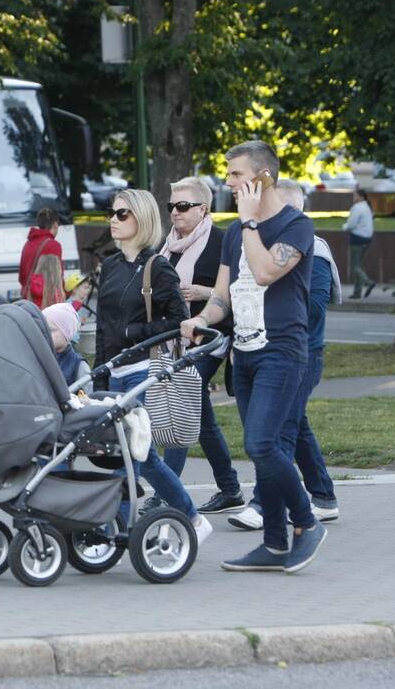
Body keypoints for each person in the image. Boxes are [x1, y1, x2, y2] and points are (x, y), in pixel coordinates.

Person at [181, 140, 326, 574]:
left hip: (282, 351)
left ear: (263, 178)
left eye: (236, 175)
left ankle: (307, 521)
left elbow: (265, 272)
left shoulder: (295, 226)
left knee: (262, 443)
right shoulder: (236, 235)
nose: (228, 183)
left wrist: (249, 223)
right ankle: (275, 543)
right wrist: (201, 320)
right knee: (267, 449)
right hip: (243, 355)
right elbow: (223, 296)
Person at [94, 189, 211, 544]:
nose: (114, 220)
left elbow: (180, 321)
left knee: (139, 454)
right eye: (112, 213)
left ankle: (188, 515)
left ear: (142, 219)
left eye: (122, 214)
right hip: (113, 373)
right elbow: (102, 326)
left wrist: (136, 332)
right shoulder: (110, 266)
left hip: (143, 370)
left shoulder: (157, 267)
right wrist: (97, 371)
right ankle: (115, 527)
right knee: (120, 453)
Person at [229, 180, 341, 530]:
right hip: (259, 348)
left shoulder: (310, 244)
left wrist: (274, 323)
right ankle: (323, 495)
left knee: (280, 431)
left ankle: (265, 505)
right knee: (294, 423)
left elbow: (315, 305)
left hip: (298, 351)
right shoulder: (248, 238)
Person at [156, 177, 244, 515]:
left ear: (203, 208)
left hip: (213, 338)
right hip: (177, 339)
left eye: (183, 206)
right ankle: (230, 488)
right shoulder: (168, 247)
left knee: (182, 400)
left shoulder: (222, 242)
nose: (175, 214)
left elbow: (241, 289)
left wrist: (205, 293)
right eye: (171, 207)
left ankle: (167, 493)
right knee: (202, 417)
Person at [42, 302, 90, 389]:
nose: (46, 334)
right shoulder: (39, 356)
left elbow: (88, 396)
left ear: (67, 333)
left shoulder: (78, 364)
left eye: (51, 330)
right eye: (43, 329)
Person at [18, 207, 63, 296]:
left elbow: (21, 277)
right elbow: (57, 278)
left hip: (28, 300)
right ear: (55, 225)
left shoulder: (27, 244)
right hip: (45, 300)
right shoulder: (53, 245)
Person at [342, 188, 375, 298]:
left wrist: (344, 227)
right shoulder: (367, 207)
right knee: (360, 266)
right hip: (367, 239)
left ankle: (368, 282)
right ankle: (357, 293)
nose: (354, 198)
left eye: (355, 196)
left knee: (355, 267)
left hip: (357, 239)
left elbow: (351, 224)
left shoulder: (357, 208)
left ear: (361, 197)